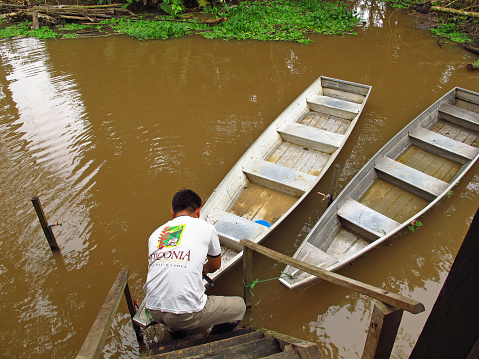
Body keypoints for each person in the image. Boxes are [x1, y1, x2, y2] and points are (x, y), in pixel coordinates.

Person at [143, 189, 246, 339]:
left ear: (172, 212)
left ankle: (178, 334)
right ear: (198, 211)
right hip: (183, 315)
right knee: (239, 307)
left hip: (153, 310)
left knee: (173, 315)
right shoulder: (207, 228)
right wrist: (202, 269)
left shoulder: (155, 234)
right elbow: (215, 265)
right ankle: (211, 340)